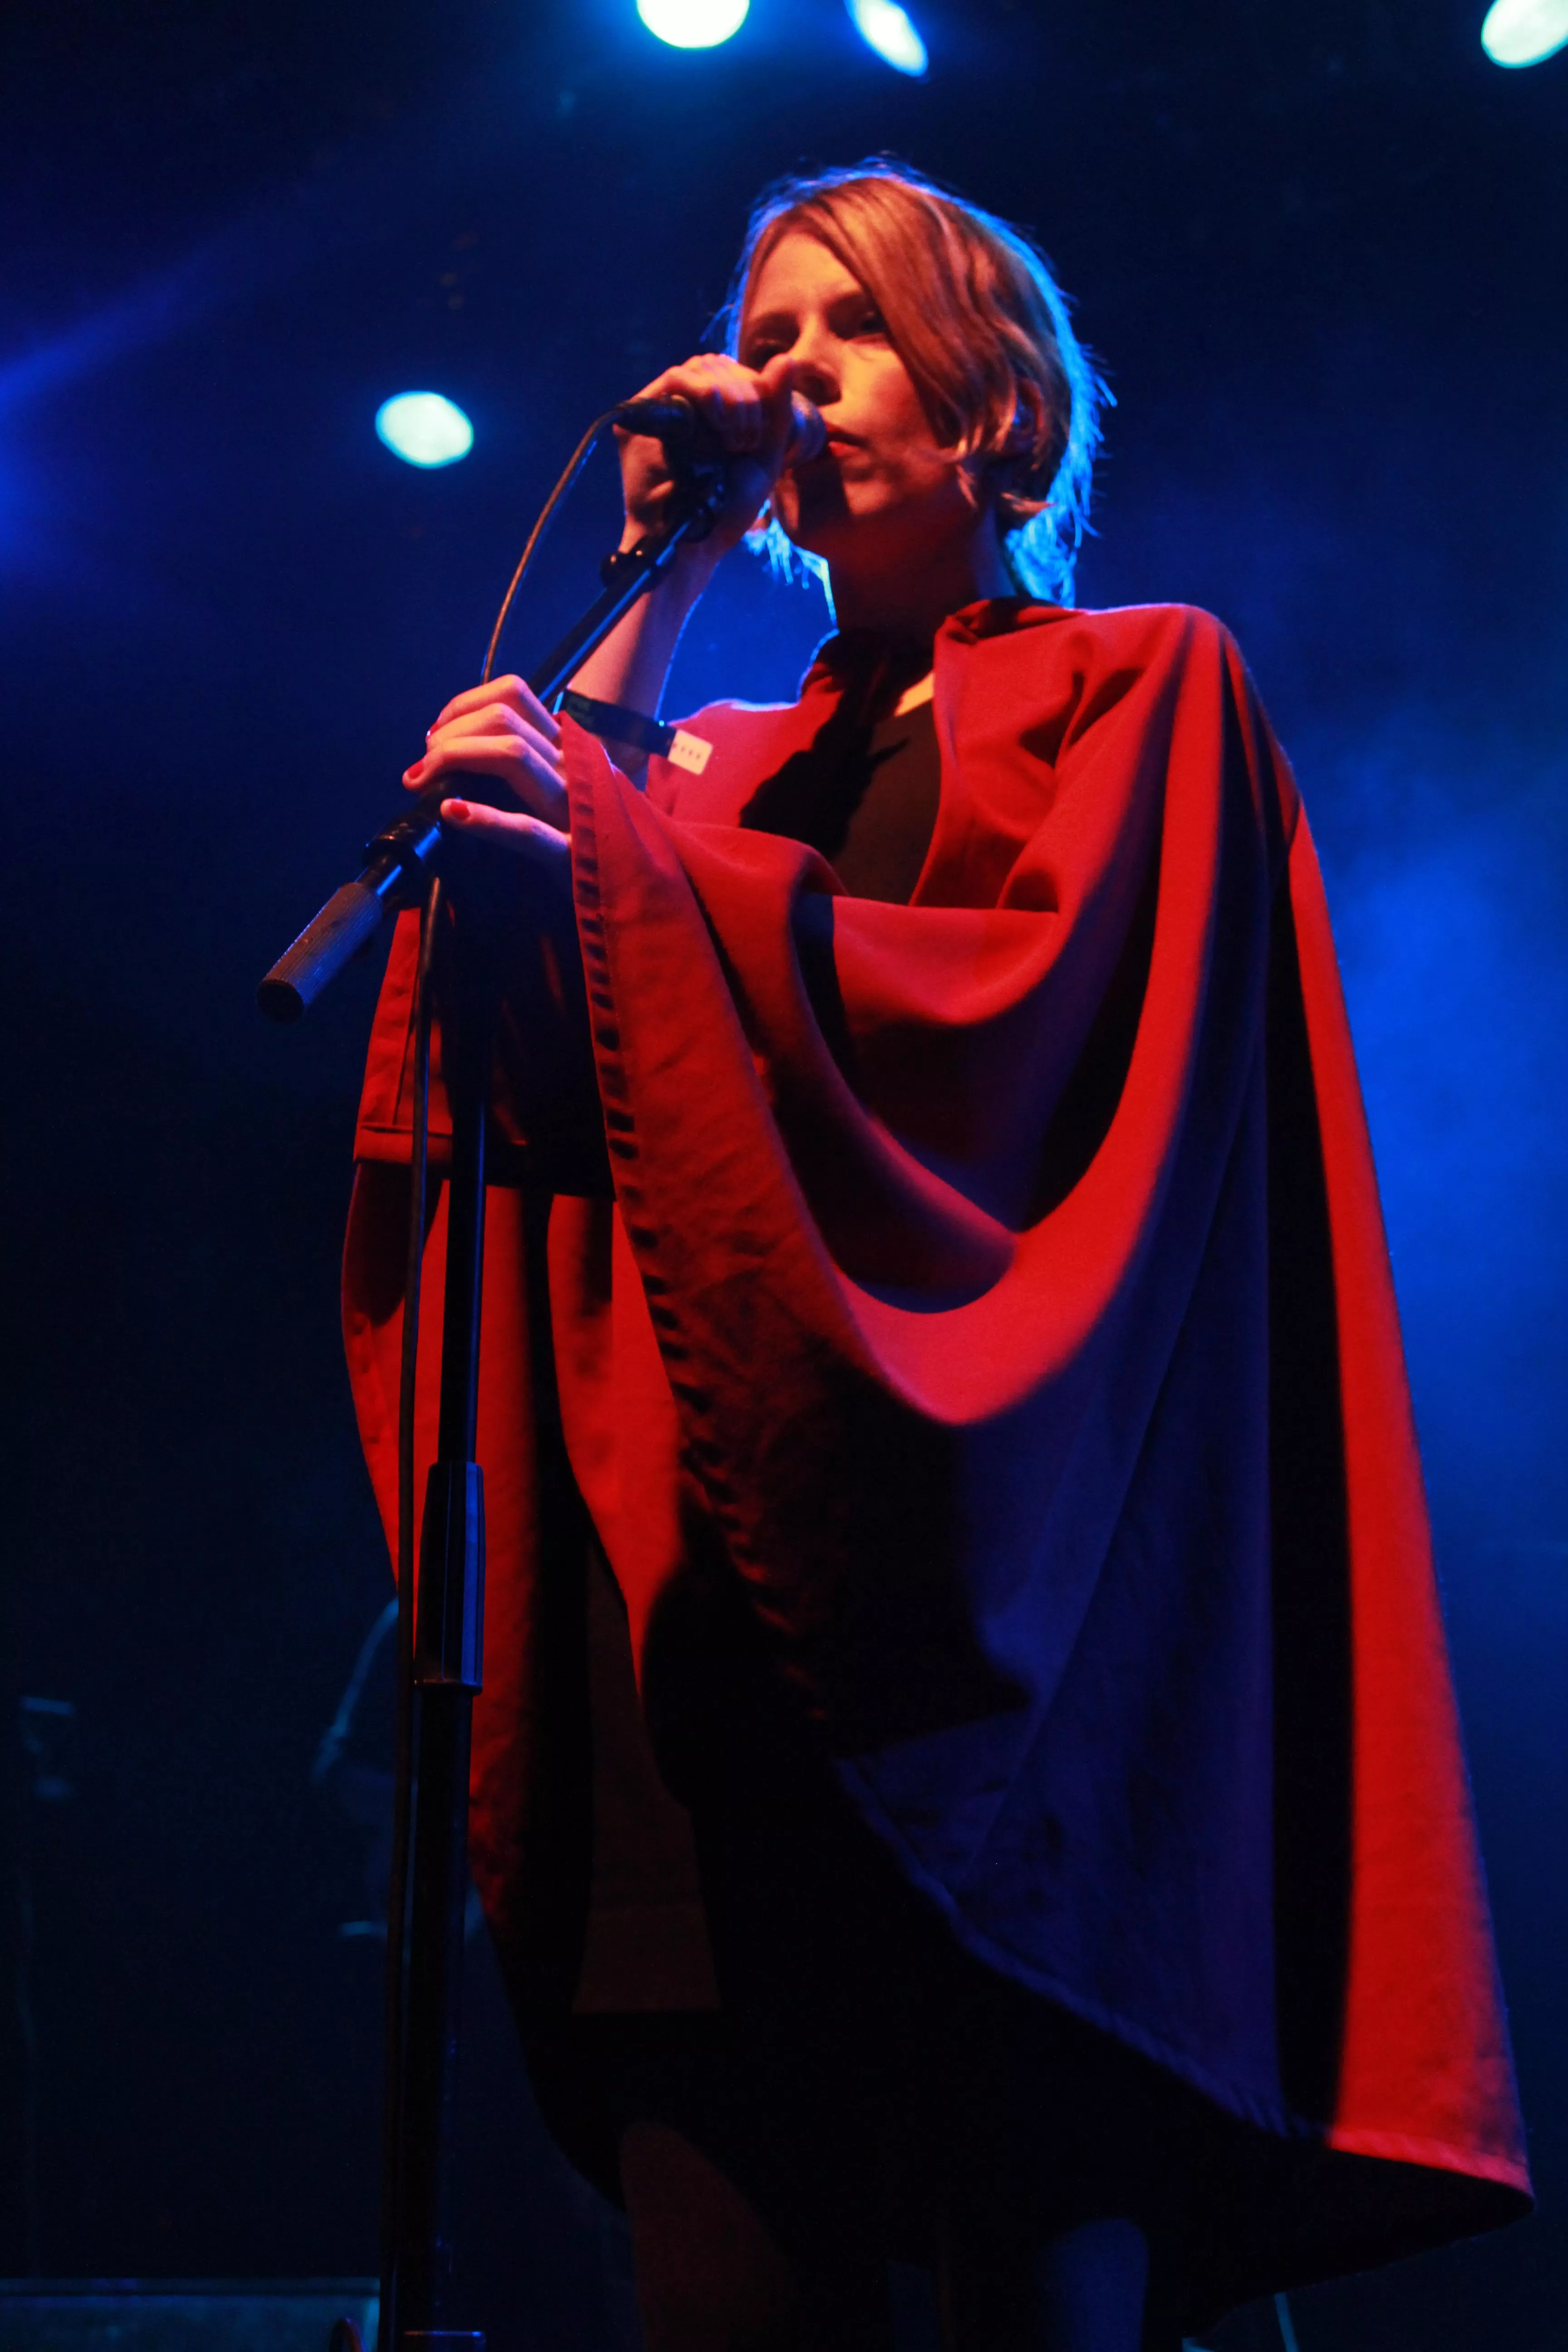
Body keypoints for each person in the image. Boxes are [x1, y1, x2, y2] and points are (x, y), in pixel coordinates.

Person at [343, 165, 1530, 2352]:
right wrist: (656, 590)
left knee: (1028, 2278)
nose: (787, 376)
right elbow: (549, 1059)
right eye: (763, 339)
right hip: (715, 1658)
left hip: (1006, 1674)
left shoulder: (1146, 689)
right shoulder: (714, 768)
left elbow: (1003, 1027)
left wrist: (618, 861)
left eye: (850, 329)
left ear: (996, 404)